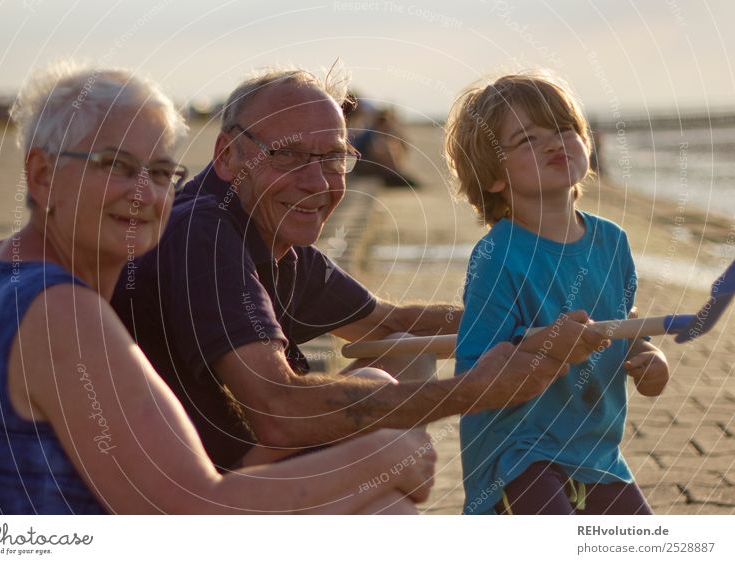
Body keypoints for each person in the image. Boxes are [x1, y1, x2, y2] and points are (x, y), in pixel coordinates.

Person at [0, 62, 439, 514]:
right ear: (42, 175)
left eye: (159, 173)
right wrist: (390, 451)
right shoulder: (61, 311)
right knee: (382, 499)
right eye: (114, 165)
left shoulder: (2, 276)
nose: (145, 194)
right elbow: (199, 510)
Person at [111, 66, 608, 472]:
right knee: (392, 447)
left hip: (233, 461)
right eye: (287, 155)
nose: (316, 181)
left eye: (332, 157)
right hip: (185, 495)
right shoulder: (203, 234)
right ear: (227, 155)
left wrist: (542, 324)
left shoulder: (269, 233)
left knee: (400, 360)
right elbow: (277, 411)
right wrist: (477, 391)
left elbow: (390, 323)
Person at [444, 71, 670, 515]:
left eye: (565, 129)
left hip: (596, 451)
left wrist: (647, 359)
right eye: (528, 139)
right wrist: (548, 345)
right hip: (517, 453)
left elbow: (623, 327)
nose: (554, 143)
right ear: (492, 176)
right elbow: (474, 366)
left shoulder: (612, 242)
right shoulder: (497, 255)